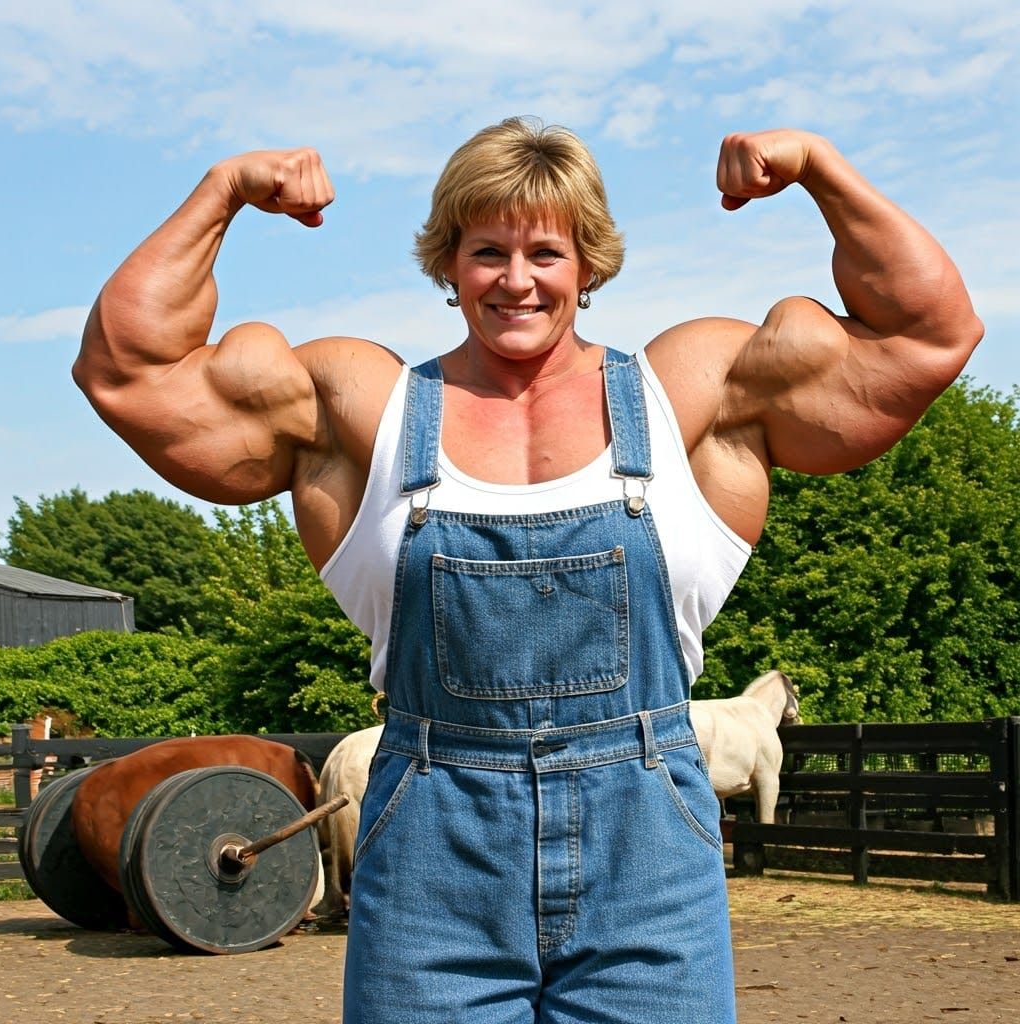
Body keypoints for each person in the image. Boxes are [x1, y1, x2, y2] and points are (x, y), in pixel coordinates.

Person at [74, 117, 982, 1023]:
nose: (517, 280)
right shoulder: (363, 409)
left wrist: (821, 167)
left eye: (546, 252)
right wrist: (223, 190)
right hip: (434, 869)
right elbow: (128, 371)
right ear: (448, 263)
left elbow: (928, 334)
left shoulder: (690, 395)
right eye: (487, 252)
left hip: (648, 869)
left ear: (588, 265)